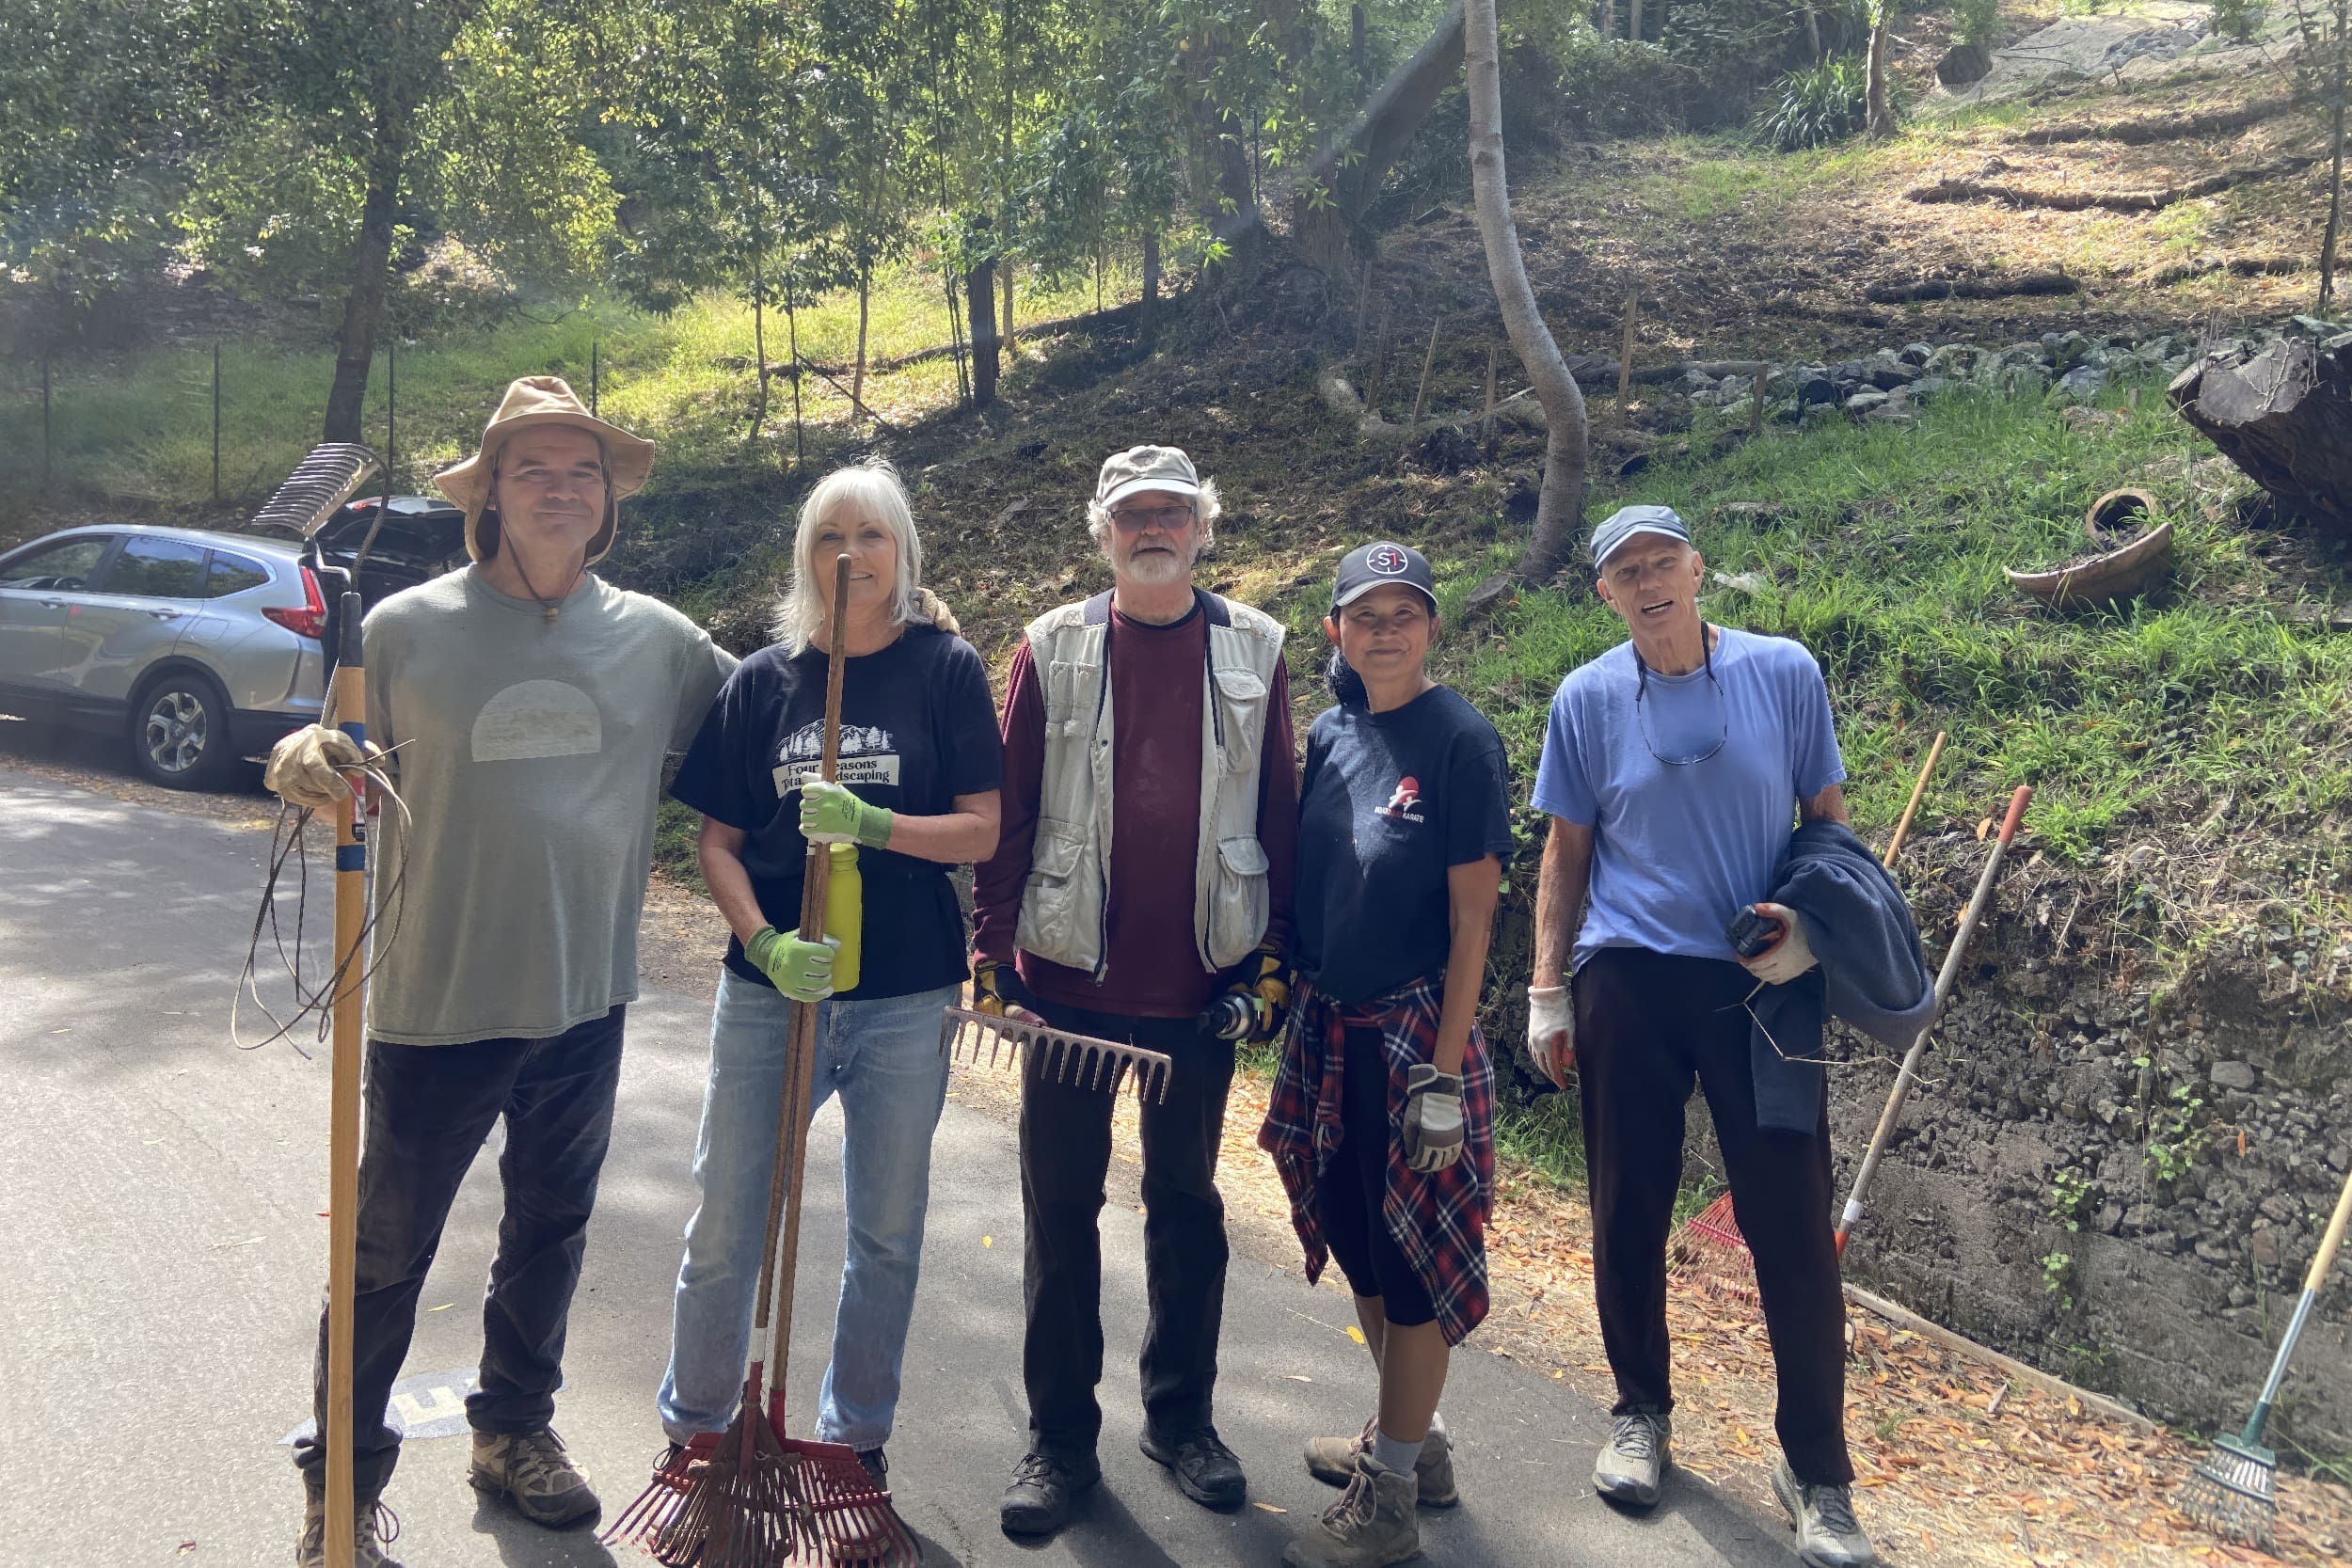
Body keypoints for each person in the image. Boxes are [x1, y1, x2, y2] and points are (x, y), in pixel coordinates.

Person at [262, 377, 734, 1568]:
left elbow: (776, 711)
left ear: (606, 500)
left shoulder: (665, 642)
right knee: (384, 1250)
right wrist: (303, 755)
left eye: (581, 471)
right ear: (491, 495)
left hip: (586, 995)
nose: (560, 488)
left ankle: (513, 1429)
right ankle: (342, 1483)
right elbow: (333, 747)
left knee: (552, 1226)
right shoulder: (406, 627)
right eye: (534, 469)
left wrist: (900, 639)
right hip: (435, 995)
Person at [1525, 504, 1878, 1568]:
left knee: (1791, 1223)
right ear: (1605, 593)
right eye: (1624, 571)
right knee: (1626, 1202)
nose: (1647, 582)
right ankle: (1640, 1411)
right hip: (1627, 978)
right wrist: (1546, 988)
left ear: (1696, 566)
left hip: (1759, 981)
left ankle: (1816, 1470)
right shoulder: (1585, 698)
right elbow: (1564, 850)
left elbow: (1827, 818)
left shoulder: (1782, 672)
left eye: (1661, 561)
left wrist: (1813, 926)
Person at [655, 459, 1002, 1522]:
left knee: (885, 1228)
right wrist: (761, 941)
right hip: (770, 995)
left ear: (902, 555)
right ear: (804, 554)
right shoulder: (763, 679)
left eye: (871, 536)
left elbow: (982, 827)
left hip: (903, 993)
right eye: (827, 536)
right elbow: (713, 840)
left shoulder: (944, 670)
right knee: (727, 1216)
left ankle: (853, 1443)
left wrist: (875, 825)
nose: (849, 554)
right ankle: (699, 1433)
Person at [970, 444, 1299, 1538]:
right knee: (1061, 1210)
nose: (1151, 526)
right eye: (1131, 514)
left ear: (1204, 526)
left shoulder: (1258, 645)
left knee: (1188, 1208)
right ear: (1100, 531)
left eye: (1172, 511)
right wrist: (992, 958)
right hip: (1065, 982)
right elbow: (1007, 809)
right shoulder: (1049, 645)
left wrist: (1272, 966)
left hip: (1200, 981)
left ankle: (1180, 1418)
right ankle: (1059, 1439)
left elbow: (1283, 814)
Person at [1260, 542, 1511, 1568]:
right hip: (1331, 1031)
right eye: (1365, 614)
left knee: (1411, 1269)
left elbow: (1471, 926)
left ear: (1433, 627)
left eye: (1406, 611)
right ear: (1335, 632)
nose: (1386, 629)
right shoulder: (1330, 732)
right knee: (1360, 1242)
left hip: (1414, 1043)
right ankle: (1418, 1439)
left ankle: (1392, 1496)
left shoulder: (1459, 741)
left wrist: (1443, 1075)